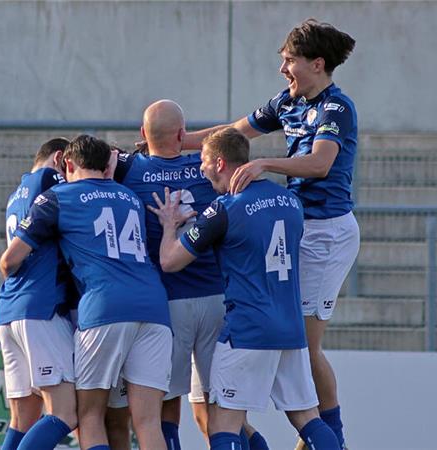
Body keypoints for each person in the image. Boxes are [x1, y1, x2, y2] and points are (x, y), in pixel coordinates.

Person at [183, 19, 358, 449]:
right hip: (296, 226)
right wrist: (179, 141)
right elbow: (235, 132)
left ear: (317, 64)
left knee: (303, 344)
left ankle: (329, 438)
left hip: (326, 234)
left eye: (289, 61)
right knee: (287, 333)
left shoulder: (337, 108)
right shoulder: (288, 102)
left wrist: (264, 164)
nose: (283, 69)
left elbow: (320, 164)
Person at [150, 127, 341, 450]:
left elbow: (170, 261)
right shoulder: (290, 201)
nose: (201, 169)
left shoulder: (224, 209)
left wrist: (169, 226)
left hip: (247, 328)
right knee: (308, 417)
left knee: (223, 421)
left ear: (220, 163)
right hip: (290, 328)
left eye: (205, 162)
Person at [107, 100, 269, 450]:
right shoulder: (207, 164)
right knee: (222, 409)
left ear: (142, 134)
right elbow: (228, 138)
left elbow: (101, 158)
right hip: (217, 298)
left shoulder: (131, 169)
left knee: (165, 403)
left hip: (167, 302)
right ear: (184, 134)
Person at [0, 135, 172, 450]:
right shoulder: (128, 196)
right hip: (155, 308)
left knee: (88, 416)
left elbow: (10, 260)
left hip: (104, 307)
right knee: (147, 421)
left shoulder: (58, 195)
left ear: (67, 163)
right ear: (107, 166)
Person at [0, 138, 78, 450]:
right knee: (66, 412)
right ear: (60, 159)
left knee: (23, 417)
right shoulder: (49, 180)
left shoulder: (17, 193)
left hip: (10, 309)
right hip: (41, 307)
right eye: (70, 169)